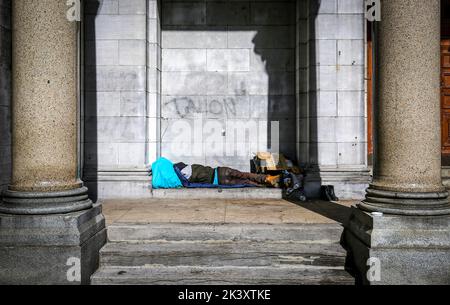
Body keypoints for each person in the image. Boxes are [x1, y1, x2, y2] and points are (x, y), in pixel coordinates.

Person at [174, 163, 280, 187]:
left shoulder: (187, 177)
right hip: (222, 171)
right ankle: (268, 178)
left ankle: (265, 184)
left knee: (246, 183)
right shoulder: (194, 166)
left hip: (220, 181)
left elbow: (189, 184)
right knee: (245, 175)